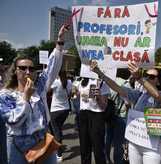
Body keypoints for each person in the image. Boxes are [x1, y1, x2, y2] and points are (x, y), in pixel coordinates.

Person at [0, 24, 69, 164]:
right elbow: (15, 121)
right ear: (15, 71)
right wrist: (26, 97)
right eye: (23, 68)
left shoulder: (39, 87)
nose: (27, 72)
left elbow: (52, 67)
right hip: (17, 146)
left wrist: (60, 40)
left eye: (31, 69)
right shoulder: (5, 95)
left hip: (42, 142)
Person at [91, 61, 161, 164]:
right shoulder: (140, 95)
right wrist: (100, 73)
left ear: (159, 81)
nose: (147, 77)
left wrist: (139, 78)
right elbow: (117, 87)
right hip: (135, 143)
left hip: (152, 148)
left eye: (151, 76)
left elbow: (157, 96)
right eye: (146, 75)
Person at [76, 77, 110, 164]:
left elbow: (104, 106)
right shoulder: (81, 81)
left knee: (98, 149)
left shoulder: (102, 82)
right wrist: (75, 94)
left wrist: (98, 96)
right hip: (83, 115)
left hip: (97, 116)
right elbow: (80, 99)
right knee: (84, 148)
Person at [50, 70, 72, 162]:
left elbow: (48, 90)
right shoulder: (69, 82)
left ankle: (59, 154)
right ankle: (58, 149)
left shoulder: (55, 82)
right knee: (58, 129)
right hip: (65, 109)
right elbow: (70, 94)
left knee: (56, 131)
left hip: (55, 110)